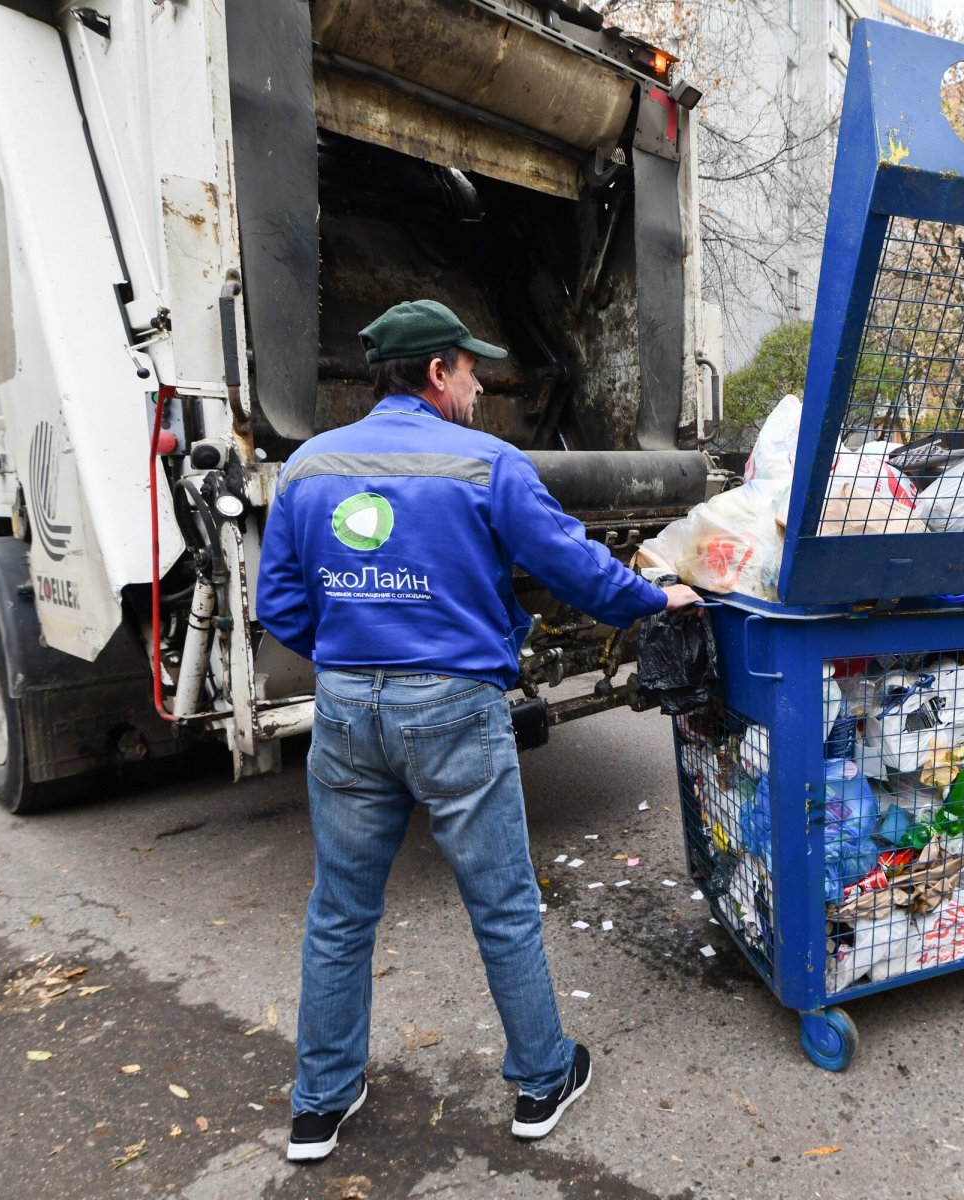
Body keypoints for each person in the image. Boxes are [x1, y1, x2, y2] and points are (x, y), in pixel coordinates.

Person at [256, 299, 700, 1162]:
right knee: (498, 904)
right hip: (454, 708)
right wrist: (656, 600)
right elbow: (574, 569)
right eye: (470, 371)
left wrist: (358, 651)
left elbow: (278, 605)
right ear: (435, 373)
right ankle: (541, 1079)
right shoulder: (487, 462)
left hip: (346, 708)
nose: (478, 385)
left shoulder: (307, 468)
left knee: (340, 912)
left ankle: (318, 1105)